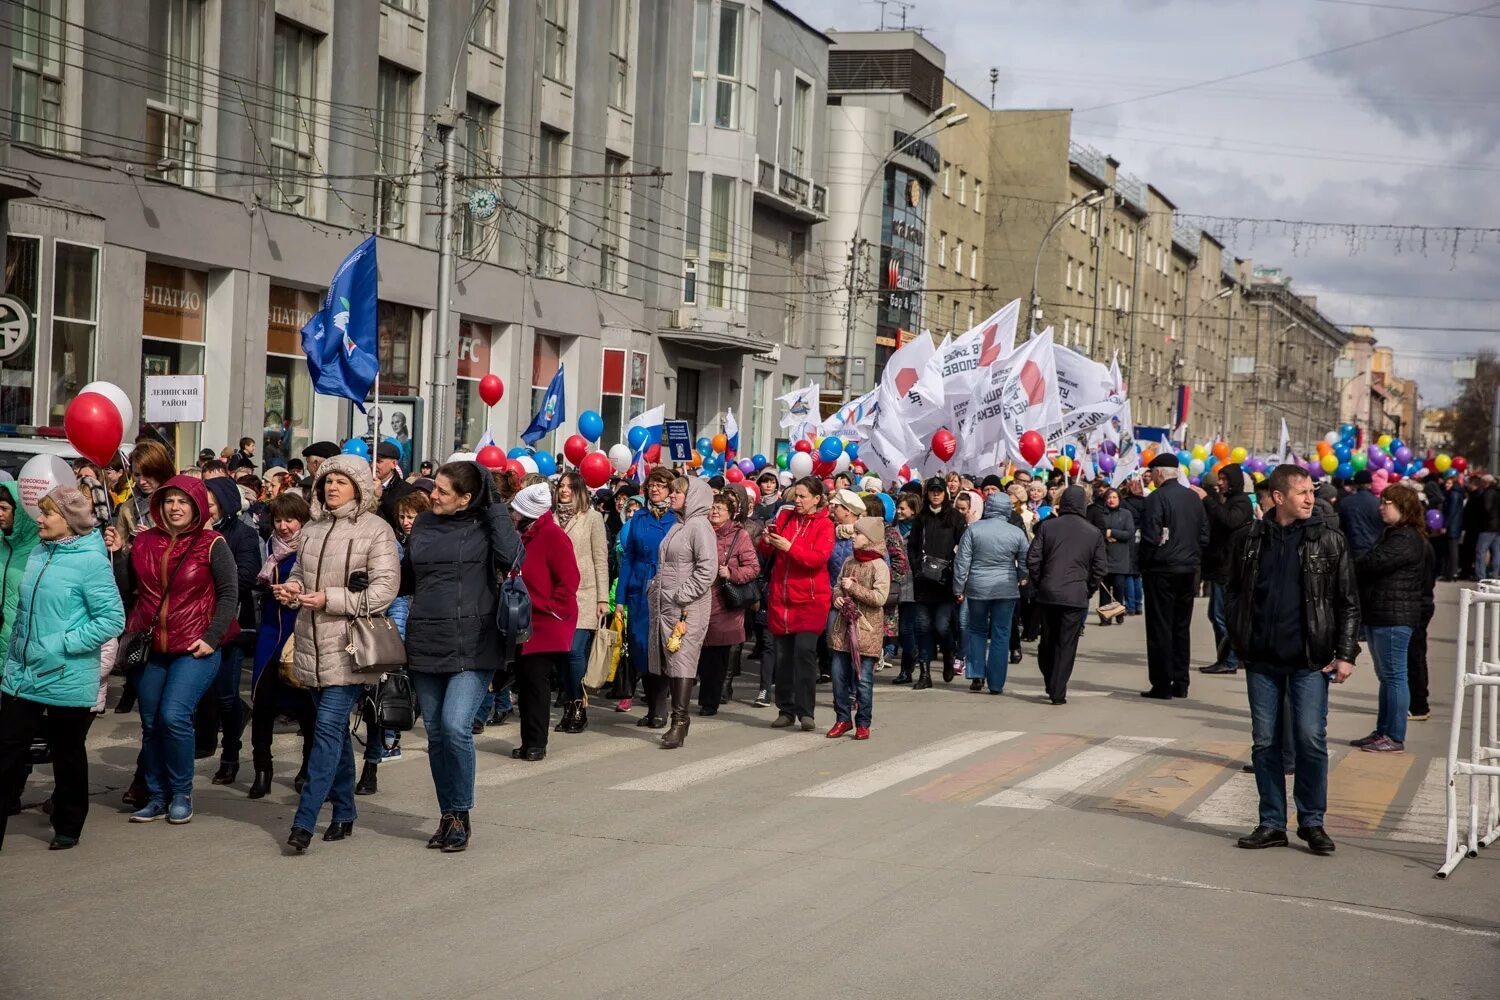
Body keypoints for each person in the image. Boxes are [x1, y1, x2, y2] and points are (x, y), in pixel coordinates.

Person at [1227, 464, 1359, 856]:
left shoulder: (1329, 540)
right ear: (1278, 497)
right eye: (1301, 492)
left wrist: (1345, 653)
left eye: (1311, 492)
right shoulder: (1249, 539)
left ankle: (1312, 822)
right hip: (1262, 660)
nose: (1309, 499)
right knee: (1265, 743)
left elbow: (1348, 602)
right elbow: (1233, 593)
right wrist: (1240, 639)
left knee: (1309, 740)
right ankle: (1271, 823)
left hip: (1310, 660)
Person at [274, 456, 399, 853]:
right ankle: (344, 810)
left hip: (352, 646)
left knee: (326, 729)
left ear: (359, 486)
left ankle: (305, 820)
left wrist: (331, 598)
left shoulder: (376, 530)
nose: (332, 487)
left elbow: (383, 592)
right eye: (328, 480)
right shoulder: (310, 528)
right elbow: (300, 574)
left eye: (342, 481)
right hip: (311, 644)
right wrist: (291, 590)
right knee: (335, 735)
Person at [401, 461, 522, 851]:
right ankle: (448, 814)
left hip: (474, 641)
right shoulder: (423, 524)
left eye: (442, 490)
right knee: (436, 734)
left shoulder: (487, 525)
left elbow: (511, 557)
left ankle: (460, 812)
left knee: (455, 728)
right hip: (426, 639)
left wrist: (495, 506)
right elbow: (408, 576)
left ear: (467, 498)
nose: (432, 495)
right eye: (434, 487)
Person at [0, 487, 124, 850]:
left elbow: (112, 619)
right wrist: (14, 653)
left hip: (65, 673)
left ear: (68, 522)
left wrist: (63, 644)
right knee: (6, 750)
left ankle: (69, 823)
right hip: (22, 672)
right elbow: (26, 611)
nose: (39, 518)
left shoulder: (91, 561)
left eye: (48, 514)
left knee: (67, 751)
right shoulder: (39, 551)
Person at [124, 476, 240, 824]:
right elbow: (128, 589)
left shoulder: (212, 543)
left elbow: (229, 595)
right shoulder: (143, 542)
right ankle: (156, 795)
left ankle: (181, 793)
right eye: (169, 501)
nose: (175, 507)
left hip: (195, 647)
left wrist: (212, 636)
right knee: (150, 724)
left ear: (197, 508)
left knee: (173, 716)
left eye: (183, 502)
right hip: (150, 647)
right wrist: (117, 555)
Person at [1347, 485, 1429, 754]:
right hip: (1383, 614)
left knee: (1394, 677)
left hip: (1394, 615)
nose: (1381, 507)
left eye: (1387, 503)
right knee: (1387, 677)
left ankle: (1394, 735)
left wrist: (1355, 565)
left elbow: (1372, 563)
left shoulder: (1405, 538)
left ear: (1403, 507)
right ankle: (1383, 730)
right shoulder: (1395, 534)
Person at [246, 491, 316, 799]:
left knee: (306, 709)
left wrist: (294, 595)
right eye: (278, 520)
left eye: (290, 520)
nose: (284, 526)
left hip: (299, 634)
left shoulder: (312, 550)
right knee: (261, 704)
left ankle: (307, 769)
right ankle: (263, 770)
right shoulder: (269, 548)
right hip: (270, 634)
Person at [508, 482, 580, 763]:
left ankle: (536, 742)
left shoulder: (553, 536)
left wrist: (551, 608)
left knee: (536, 684)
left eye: (517, 512)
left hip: (546, 622)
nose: (513, 516)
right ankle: (529, 741)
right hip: (525, 619)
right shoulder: (525, 536)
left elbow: (569, 580)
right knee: (526, 684)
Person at [201, 476, 262, 785]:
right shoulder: (191, 532)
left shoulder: (243, 536)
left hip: (229, 626)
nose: (204, 510)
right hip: (194, 624)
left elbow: (245, 578)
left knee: (226, 695)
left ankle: (231, 754)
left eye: (209, 505)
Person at [760, 476, 835, 730]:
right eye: (796, 495)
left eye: (803, 496)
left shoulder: (825, 525)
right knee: (783, 657)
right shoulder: (786, 517)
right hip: (782, 599)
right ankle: (785, 708)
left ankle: (806, 711)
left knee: (804, 653)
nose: (798, 500)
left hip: (811, 600)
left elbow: (817, 559)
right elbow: (767, 550)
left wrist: (789, 547)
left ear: (817, 499)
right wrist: (768, 540)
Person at [648, 478, 717, 748]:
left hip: (688, 608)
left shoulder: (700, 527)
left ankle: (680, 720)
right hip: (668, 605)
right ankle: (674, 717)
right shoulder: (679, 524)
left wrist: (681, 594)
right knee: (672, 662)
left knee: (682, 661)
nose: (672, 495)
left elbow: (707, 569)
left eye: (678, 492)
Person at [1026, 486, 1107, 705]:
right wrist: (1088, 588)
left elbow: (1033, 558)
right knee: (1066, 644)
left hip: (1048, 593)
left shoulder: (1048, 527)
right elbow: (1100, 568)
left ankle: (1051, 681)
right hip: (1075, 594)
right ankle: (1057, 689)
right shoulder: (1093, 532)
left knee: (1048, 640)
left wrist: (1041, 581)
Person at [1139, 454, 1209, 700]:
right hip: (1188, 570)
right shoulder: (1193, 498)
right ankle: (1181, 681)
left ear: (1159, 473)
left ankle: (1162, 683)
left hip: (1162, 570)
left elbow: (1150, 537)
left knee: (1160, 628)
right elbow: (1204, 535)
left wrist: (1145, 564)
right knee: (1181, 627)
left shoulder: (1157, 498)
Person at [953, 490, 1029, 695]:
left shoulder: (974, 530)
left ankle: (977, 675)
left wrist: (958, 588)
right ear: (1007, 509)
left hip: (977, 587)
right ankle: (996, 683)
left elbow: (962, 562)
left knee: (976, 630)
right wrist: (1022, 576)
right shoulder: (1016, 532)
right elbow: (1024, 560)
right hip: (1006, 587)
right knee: (1001, 634)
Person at [617, 467, 677, 723]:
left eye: (662, 485)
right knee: (641, 647)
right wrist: (620, 598)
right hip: (640, 588)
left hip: (666, 587)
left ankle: (660, 709)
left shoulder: (677, 518)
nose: (655, 489)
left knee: (662, 648)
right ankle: (653, 706)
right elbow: (628, 557)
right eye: (652, 484)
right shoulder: (639, 517)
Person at [827, 517, 891, 739]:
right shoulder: (848, 561)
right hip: (842, 629)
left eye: (858, 534)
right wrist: (837, 597)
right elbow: (837, 585)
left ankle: (863, 722)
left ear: (870, 538)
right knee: (838, 677)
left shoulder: (880, 566)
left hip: (866, 630)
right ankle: (842, 719)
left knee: (863, 682)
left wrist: (854, 588)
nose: (853, 537)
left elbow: (880, 598)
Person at [554, 471, 608, 734]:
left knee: (575, 652)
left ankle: (579, 705)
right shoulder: (550, 518)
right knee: (561, 656)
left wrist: (602, 598)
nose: (564, 490)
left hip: (584, 595)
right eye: (561, 486)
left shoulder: (593, 518)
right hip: (556, 597)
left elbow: (600, 559)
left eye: (570, 487)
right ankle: (568, 706)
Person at [700, 490, 759, 716]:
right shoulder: (702, 530)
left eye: (720, 508)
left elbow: (753, 568)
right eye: (712, 507)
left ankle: (710, 700)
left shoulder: (739, 536)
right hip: (701, 597)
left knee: (718, 654)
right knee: (702, 653)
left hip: (725, 601)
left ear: (730, 514)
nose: (714, 511)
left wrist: (731, 572)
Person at [906, 477, 967, 689]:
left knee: (942, 626)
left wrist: (955, 569)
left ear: (945, 493)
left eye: (939, 490)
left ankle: (949, 653)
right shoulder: (921, 518)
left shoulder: (955, 518)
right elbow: (912, 547)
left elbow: (965, 546)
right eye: (932, 490)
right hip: (923, 584)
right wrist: (916, 568)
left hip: (945, 584)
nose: (936, 494)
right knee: (923, 627)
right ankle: (925, 674)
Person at [1201, 465, 1253, 674]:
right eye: (1219, 479)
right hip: (1220, 568)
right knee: (1216, 615)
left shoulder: (1241, 502)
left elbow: (1229, 520)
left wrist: (1208, 500)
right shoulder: (1230, 501)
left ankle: (1229, 659)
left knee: (1221, 615)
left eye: (1224, 479)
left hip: (1228, 569)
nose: (1220, 483)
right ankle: (1227, 657)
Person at [892, 493, 923, 685]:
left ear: (913, 509)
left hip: (914, 585)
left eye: (903, 508)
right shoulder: (892, 530)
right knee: (899, 630)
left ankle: (907, 668)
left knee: (906, 629)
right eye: (898, 507)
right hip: (895, 585)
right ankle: (912, 657)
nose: (899, 511)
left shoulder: (920, 530)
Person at [1099, 488, 1136, 628]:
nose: (1111, 500)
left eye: (1114, 497)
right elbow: (1097, 530)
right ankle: (1105, 618)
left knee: (1119, 587)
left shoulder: (1126, 514)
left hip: (1120, 557)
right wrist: (1106, 535)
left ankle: (1119, 613)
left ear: (1119, 499)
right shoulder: (1101, 514)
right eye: (1109, 497)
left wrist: (1111, 532)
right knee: (1105, 589)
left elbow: (1129, 533)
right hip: (1104, 556)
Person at [1338, 469, 1383, 561]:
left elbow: (1341, 528)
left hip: (1353, 551)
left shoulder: (1345, 502)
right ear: (1370, 483)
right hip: (1375, 550)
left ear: (1355, 484)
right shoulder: (1379, 503)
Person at [374, 440, 416, 534]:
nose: (373, 465)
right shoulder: (365, 487)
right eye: (371, 460)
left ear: (393, 464)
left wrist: (379, 496)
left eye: (378, 461)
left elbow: (400, 521)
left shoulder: (406, 490)